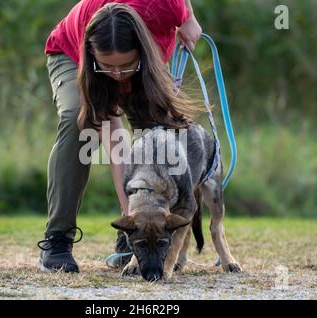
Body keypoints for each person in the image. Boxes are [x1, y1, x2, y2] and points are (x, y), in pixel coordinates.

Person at [37, 0, 202, 273]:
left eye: (125, 65)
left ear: (143, 49)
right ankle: (57, 240)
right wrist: (129, 216)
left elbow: (180, 9)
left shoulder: (166, 7)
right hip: (71, 54)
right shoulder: (89, 39)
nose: (117, 74)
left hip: (143, 66)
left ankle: (152, 234)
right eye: (109, 66)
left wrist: (189, 17)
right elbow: (115, 140)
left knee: (161, 134)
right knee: (80, 122)